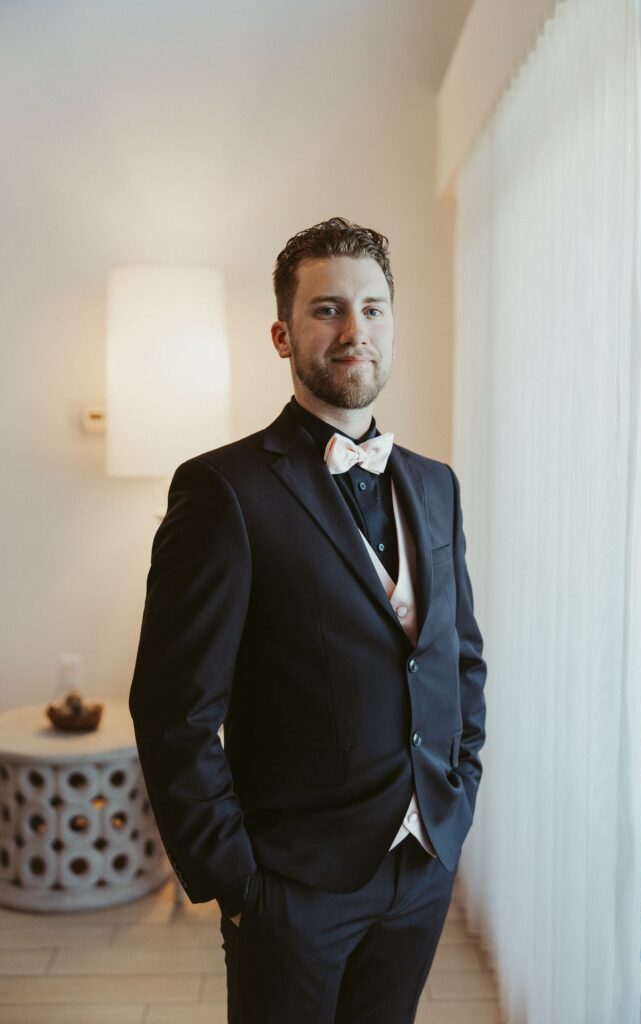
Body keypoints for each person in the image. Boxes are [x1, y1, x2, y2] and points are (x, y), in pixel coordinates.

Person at [128, 216, 487, 1024]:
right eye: (327, 310)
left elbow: (459, 659)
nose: (354, 330)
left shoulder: (435, 485)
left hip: (422, 863)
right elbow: (173, 708)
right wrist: (239, 881)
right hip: (290, 888)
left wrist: (456, 804)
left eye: (373, 308)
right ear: (282, 334)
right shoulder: (223, 492)